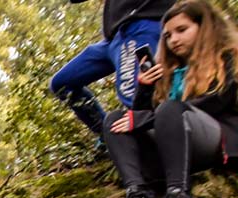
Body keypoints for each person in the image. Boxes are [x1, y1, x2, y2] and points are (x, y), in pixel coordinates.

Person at [103, 0, 238, 198]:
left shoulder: (229, 57)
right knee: (115, 120)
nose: (173, 40)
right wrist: (145, 88)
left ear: (204, 27)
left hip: (213, 142)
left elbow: (216, 102)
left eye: (181, 30)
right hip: (170, 149)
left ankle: (179, 194)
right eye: (167, 35)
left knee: (169, 109)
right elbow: (139, 115)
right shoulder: (168, 71)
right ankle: (138, 193)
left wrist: (147, 118)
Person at [51, 1, 174, 139]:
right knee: (62, 84)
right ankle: (109, 137)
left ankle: (157, 149)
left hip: (139, 25)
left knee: (134, 100)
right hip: (114, 36)